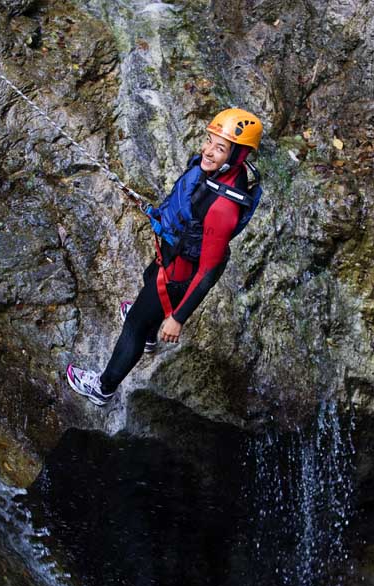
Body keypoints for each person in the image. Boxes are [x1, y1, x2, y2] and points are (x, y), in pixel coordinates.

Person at [67, 108, 263, 406]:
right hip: (172, 255)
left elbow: (208, 273)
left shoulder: (223, 208)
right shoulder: (215, 172)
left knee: (133, 322)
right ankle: (147, 333)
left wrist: (177, 318)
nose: (208, 151)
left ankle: (102, 388)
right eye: (209, 141)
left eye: (219, 148)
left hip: (180, 274)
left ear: (237, 156)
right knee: (149, 280)